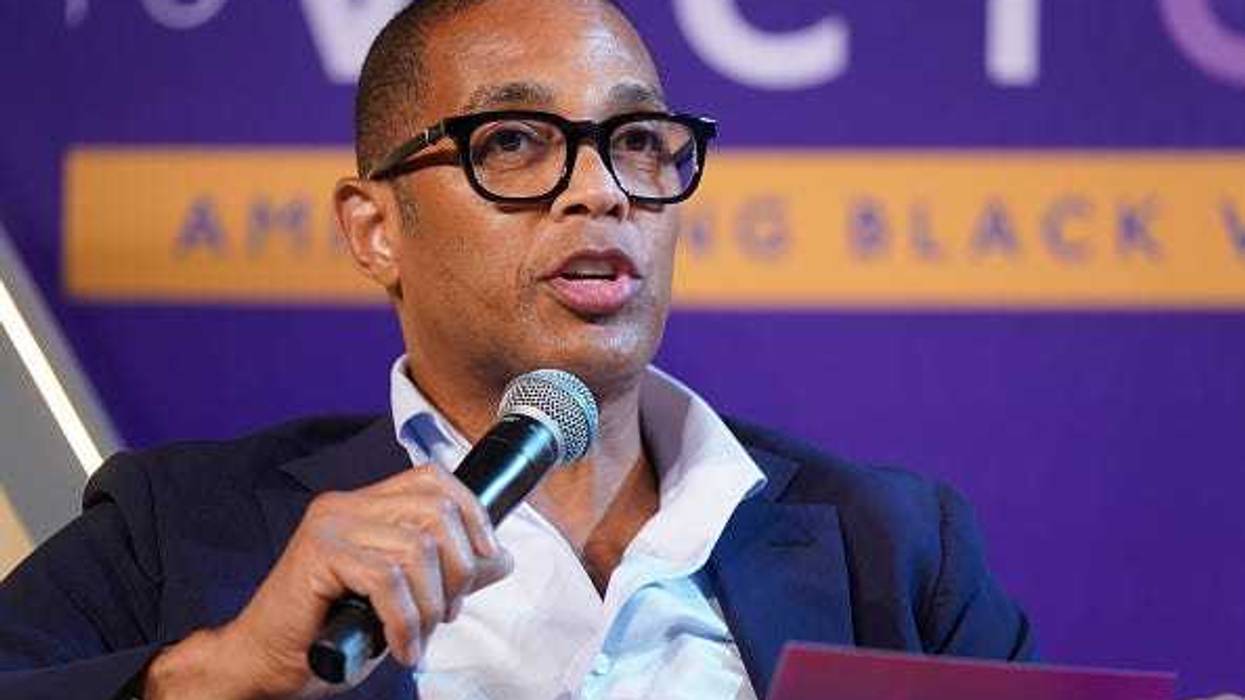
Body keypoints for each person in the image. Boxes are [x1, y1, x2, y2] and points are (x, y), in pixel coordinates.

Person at [0, 0, 1034, 698]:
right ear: (375, 229)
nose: (603, 189)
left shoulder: (892, 548)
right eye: (514, 143)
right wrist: (227, 673)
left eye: (637, 140)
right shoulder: (178, 529)